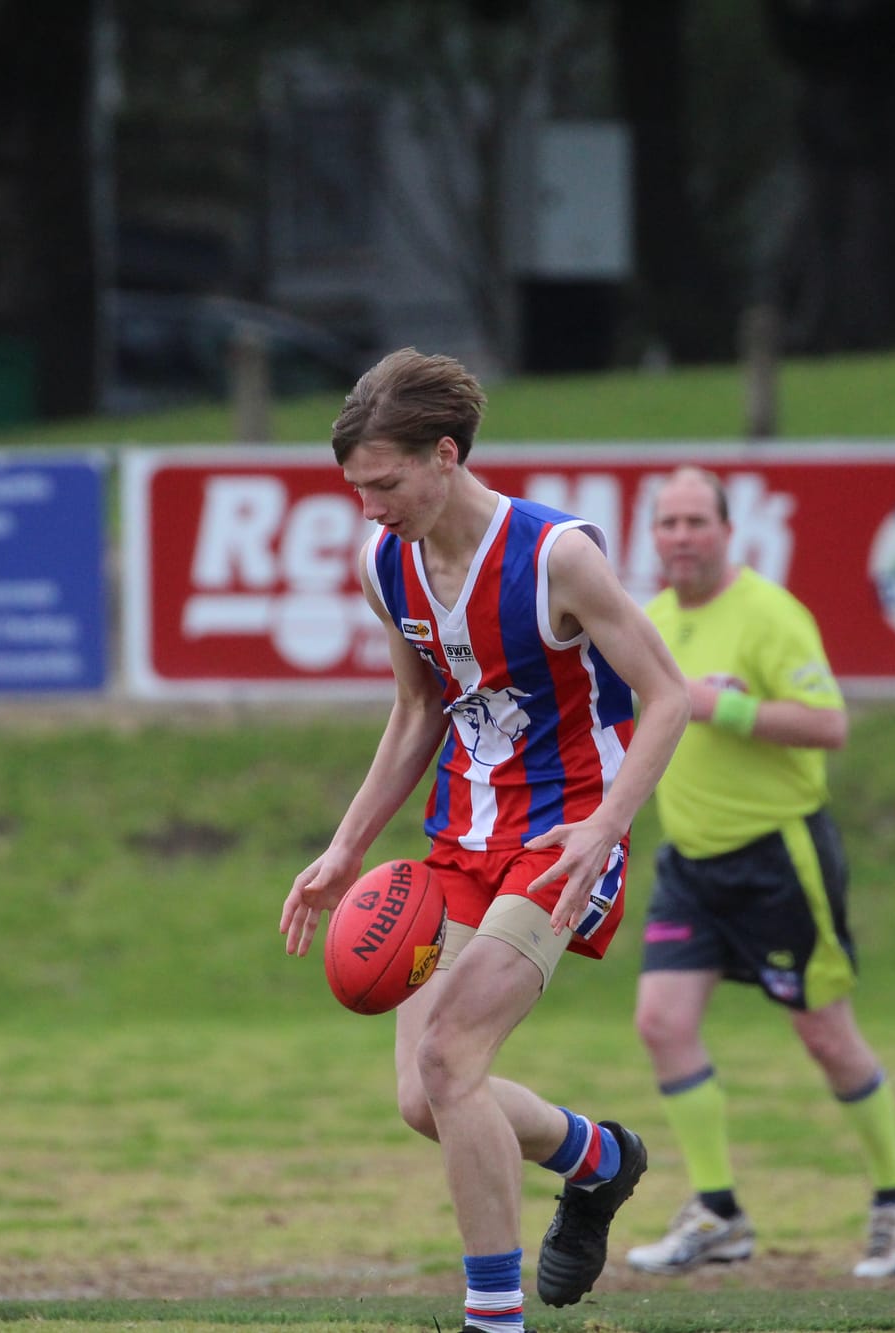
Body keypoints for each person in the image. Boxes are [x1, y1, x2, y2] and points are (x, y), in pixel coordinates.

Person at [279, 348, 689, 1333]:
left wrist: (605, 827)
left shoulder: (556, 556)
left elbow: (670, 696)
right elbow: (417, 710)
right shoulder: (386, 564)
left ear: (445, 455)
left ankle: (492, 1319)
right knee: (424, 1097)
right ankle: (598, 1160)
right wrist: (345, 847)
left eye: (384, 484)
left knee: (452, 1053)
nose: (369, 508)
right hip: (459, 839)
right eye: (356, 489)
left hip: (562, 838)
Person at [626, 467, 895, 1282]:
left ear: (728, 532)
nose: (681, 536)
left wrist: (721, 706)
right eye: (668, 522)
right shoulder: (651, 622)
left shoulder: (769, 613)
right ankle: (718, 1214)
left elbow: (828, 724)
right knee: (661, 1021)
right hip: (689, 864)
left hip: (777, 858)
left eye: (696, 521)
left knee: (824, 1034)